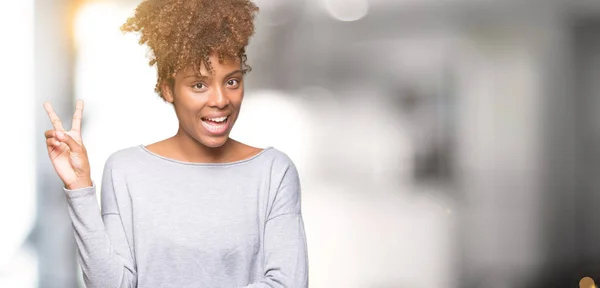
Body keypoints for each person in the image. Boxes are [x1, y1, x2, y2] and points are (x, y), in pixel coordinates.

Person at [42, 0, 309, 287]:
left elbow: (287, 283)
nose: (220, 100)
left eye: (231, 82)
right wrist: (79, 188)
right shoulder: (126, 171)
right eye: (199, 85)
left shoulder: (273, 172)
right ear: (168, 89)